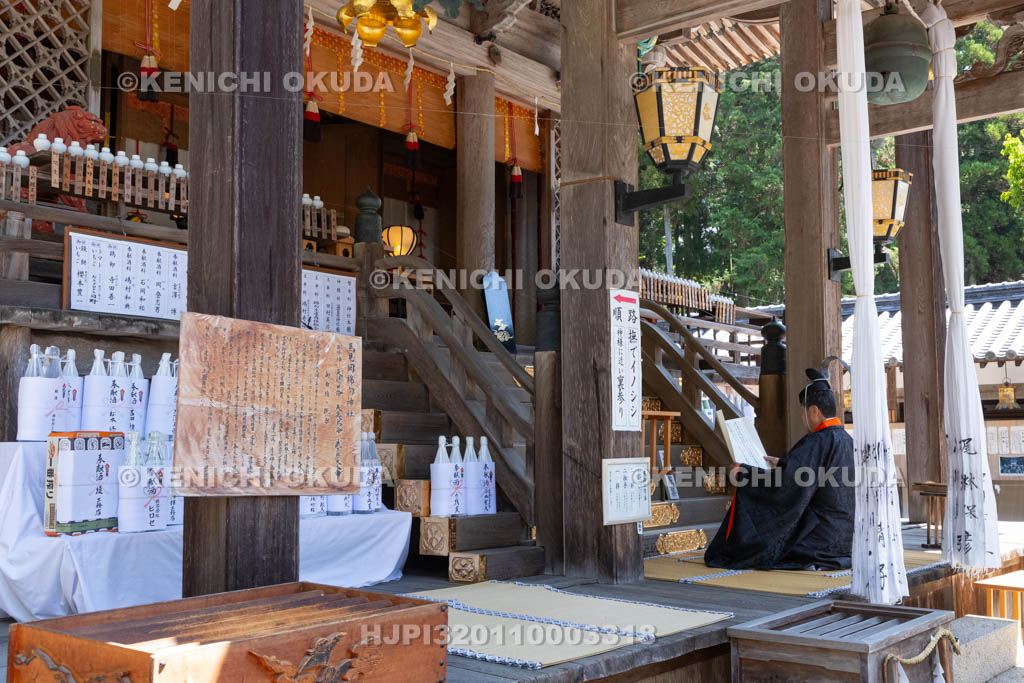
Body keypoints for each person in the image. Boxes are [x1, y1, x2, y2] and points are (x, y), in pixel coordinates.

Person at [703, 368, 855, 570]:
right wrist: (783, 464)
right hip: (844, 538)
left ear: (814, 411)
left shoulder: (817, 441)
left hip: (819, 539)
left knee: (765, 548)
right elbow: (806, 475)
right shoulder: (847, 440)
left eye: (803, 411)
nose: (802, 417)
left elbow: (786, 485)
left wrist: (744, 473)